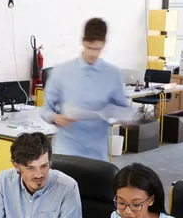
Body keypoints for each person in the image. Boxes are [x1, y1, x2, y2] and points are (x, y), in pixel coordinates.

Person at [41, 17, 130, 161]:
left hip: (98, 153)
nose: (93, 54)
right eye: (90, 48)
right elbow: (45, 108)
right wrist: (54, 117)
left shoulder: (113, 74)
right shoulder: (61, 71)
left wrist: (123, 116)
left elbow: (124, 109)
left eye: (98, 49)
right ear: (83, 42)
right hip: (66, 150)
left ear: (104, 44)